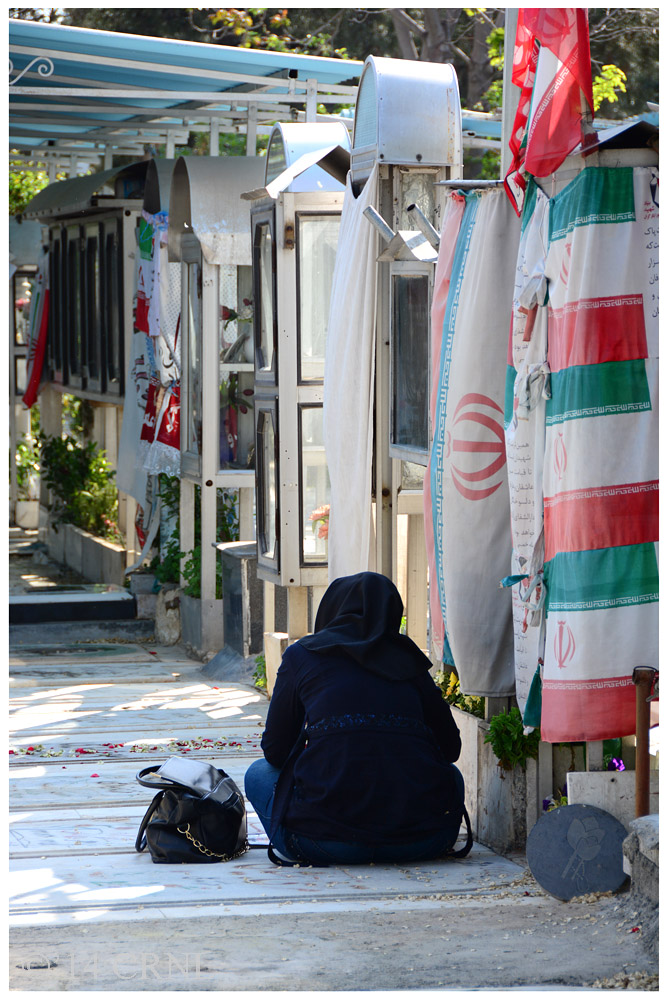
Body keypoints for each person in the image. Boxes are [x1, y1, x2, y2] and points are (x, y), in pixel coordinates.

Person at [244, 571, 468, 866]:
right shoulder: (410, 661)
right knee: (451, 775)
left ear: (331, 609)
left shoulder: (303, 655)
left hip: (320, 843)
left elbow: (275, 751)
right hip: (422, 843)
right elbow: (450, 750)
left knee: (259, 773)